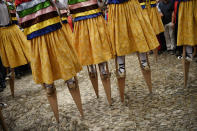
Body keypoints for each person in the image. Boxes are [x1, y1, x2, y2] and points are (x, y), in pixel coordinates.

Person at [15, 0, 83, 122]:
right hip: (54, 35)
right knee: (69, 76)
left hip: (37, 41)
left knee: (49, 84)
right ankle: (79, 110)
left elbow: (20, 22)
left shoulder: (18, 2)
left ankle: (57, 116)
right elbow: (63, 5)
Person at [107, 0, 159, 101]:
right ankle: (141, 62)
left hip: (124, 6)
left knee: (127, 34)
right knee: (132, 33)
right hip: (121, 6)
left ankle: (125, 66)